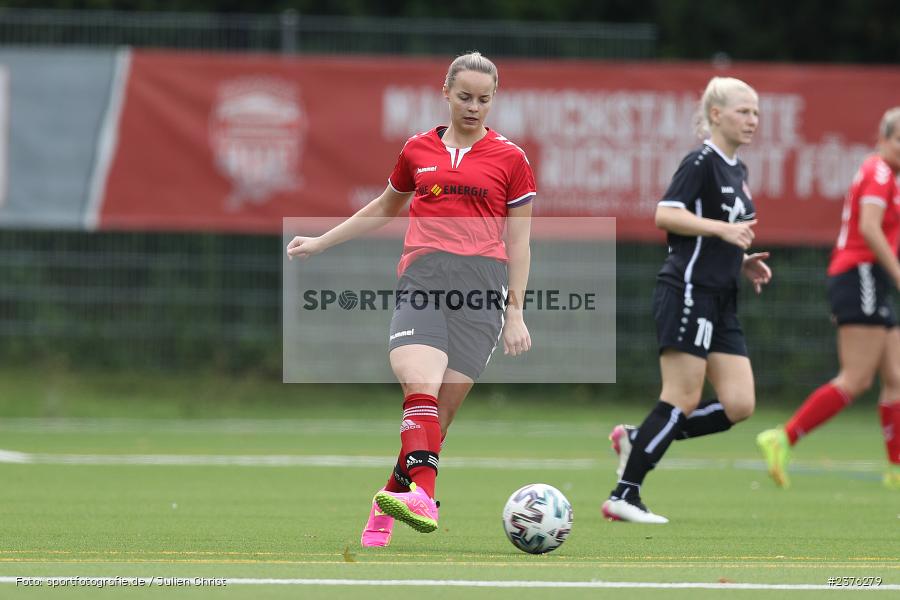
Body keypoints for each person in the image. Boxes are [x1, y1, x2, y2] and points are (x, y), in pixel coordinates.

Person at [286, 51, 536, 545]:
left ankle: (387, 503)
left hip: (482, 290)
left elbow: (520, 242)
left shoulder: (512, 159)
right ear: (446, 93)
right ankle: (425, 496)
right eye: (464, 96)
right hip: (423, 279)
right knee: (418, 383)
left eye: (483, 99)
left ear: (493, 101)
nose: (473, 107)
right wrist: (320, 241)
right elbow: (384, 208)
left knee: (437, 422)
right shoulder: (417, 149)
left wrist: (515, 313)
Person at [601, 76, 772, 523]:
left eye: (756, 112)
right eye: (743, 111)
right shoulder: (701, 161)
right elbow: (666, 214)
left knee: (739, 404)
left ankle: (638, 438)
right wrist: (723, 231)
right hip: (688, 292)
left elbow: (715, 236)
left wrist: (740, 260)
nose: (752, 120)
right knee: (682, 397)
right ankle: (624, 495)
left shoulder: (738, 169)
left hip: (722, 298)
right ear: (716, 114)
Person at [757, 107, 900, 490]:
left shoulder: (888, 177)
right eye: (899, 139)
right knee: (856, 378)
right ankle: (783, 437)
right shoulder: (879, 171)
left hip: (870, 277)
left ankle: (896, 470)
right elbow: (869, 228)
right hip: (861, 274)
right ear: (882, 138)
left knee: (896, 376)